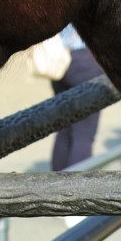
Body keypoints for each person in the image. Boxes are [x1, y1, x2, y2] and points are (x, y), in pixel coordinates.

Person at [49, 25, 104, 172]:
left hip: (59, 58)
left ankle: (56, 182)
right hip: (86, 59)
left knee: (64, 128)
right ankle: (78, 187)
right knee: (84, 133)